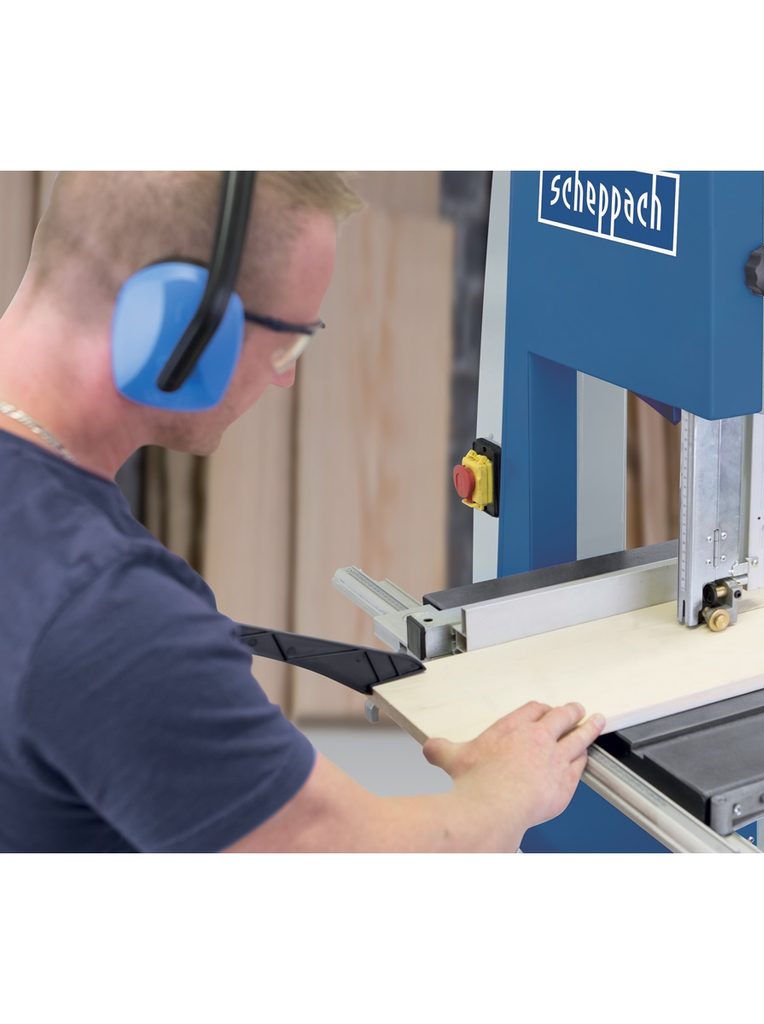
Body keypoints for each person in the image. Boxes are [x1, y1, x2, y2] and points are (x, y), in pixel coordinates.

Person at [0, 171, 604, 853]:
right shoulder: (107, 612)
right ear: (184, 325)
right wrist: (503, 791)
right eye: (290, 341)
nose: (285, 375)